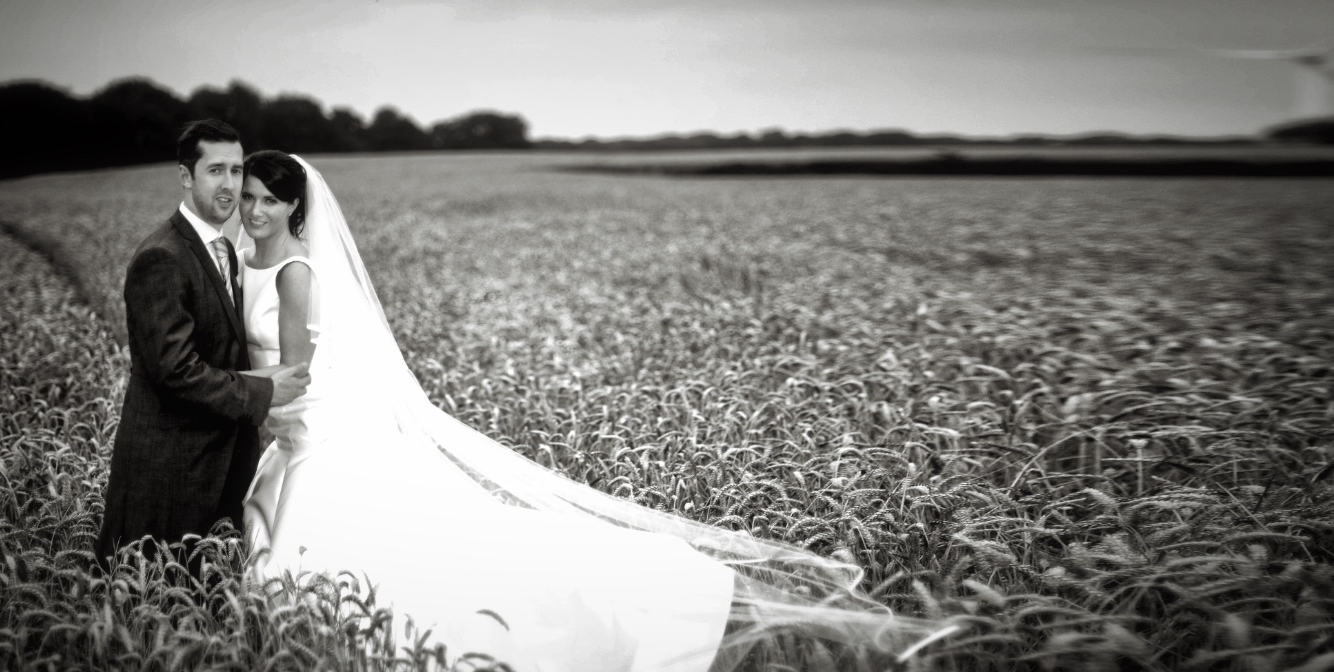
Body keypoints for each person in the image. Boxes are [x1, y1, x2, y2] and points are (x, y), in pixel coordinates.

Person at [234, 150, 954, 671]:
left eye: (269, 198)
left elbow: (294, 378)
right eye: (248, 197)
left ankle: (696, 604)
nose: (256, 209)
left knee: (421, 566)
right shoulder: (248, 262)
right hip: (296, 439)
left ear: (296, 206)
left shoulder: (296, 272)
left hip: (312, 435)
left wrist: (228, 399)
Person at [94, 121, 310, 571]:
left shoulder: (225, 250)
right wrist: (266, 391)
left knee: (205, 590)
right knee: (154, 595)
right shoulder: (163, 256)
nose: (230, 185)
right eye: (216, 170)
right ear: (186, 176)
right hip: (174, 466)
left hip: (222, 458)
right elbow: (176, 372)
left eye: (236, 171)